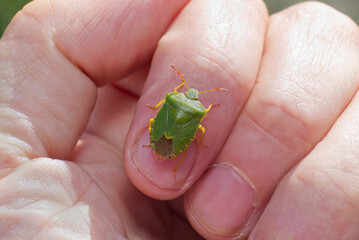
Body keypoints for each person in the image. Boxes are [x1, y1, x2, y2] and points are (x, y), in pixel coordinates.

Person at [0, 0, 358, 239]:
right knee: (194, 138)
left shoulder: (169, 102)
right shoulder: (195, 117)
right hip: (164, 157)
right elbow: (191, 137)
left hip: (156, 145)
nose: (187, 95)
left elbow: (159, 117)